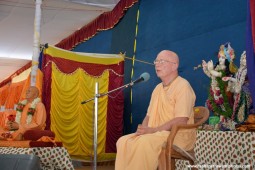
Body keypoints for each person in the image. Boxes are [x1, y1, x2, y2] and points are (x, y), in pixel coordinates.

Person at [115, 50, 196, 170]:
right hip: (156, 133)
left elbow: (181, 120)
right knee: (123, 141)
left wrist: (153, 130)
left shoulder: (183, 86)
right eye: (156, 61)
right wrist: (143, 130)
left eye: (161, 61)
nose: (156, 64)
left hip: (177, 136)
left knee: (144, 143)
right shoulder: (157, 89)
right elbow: (148, 116)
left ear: (175, 65)